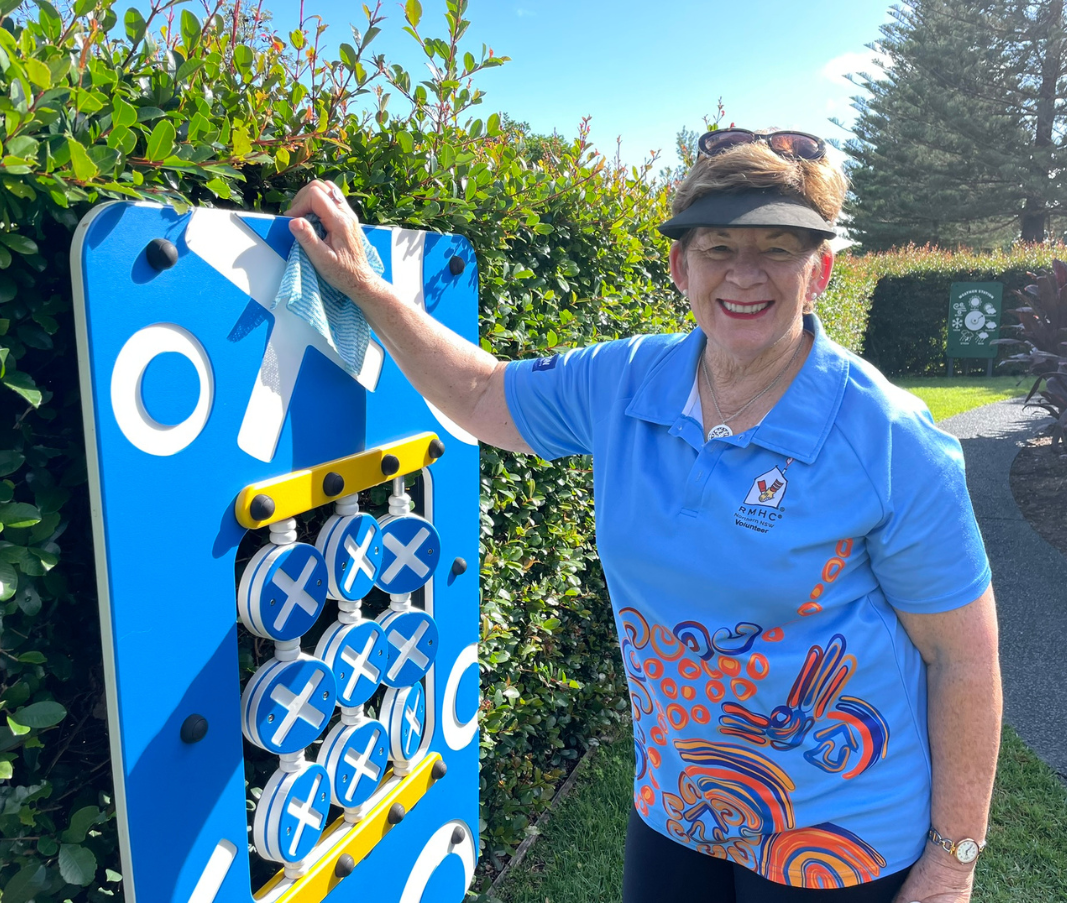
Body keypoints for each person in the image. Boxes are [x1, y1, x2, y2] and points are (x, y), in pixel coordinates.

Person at [284, 127, 1002, 903]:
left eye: (778, 247)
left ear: (820, 270)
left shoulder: (891, 440)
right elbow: (483, 395)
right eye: (718, 246)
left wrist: (953, 859)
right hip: (677, 799)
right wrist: (367, 286)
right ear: (678, 265)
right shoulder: (623, 381)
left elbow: (962, 658)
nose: (745, 274)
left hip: (839, 834)